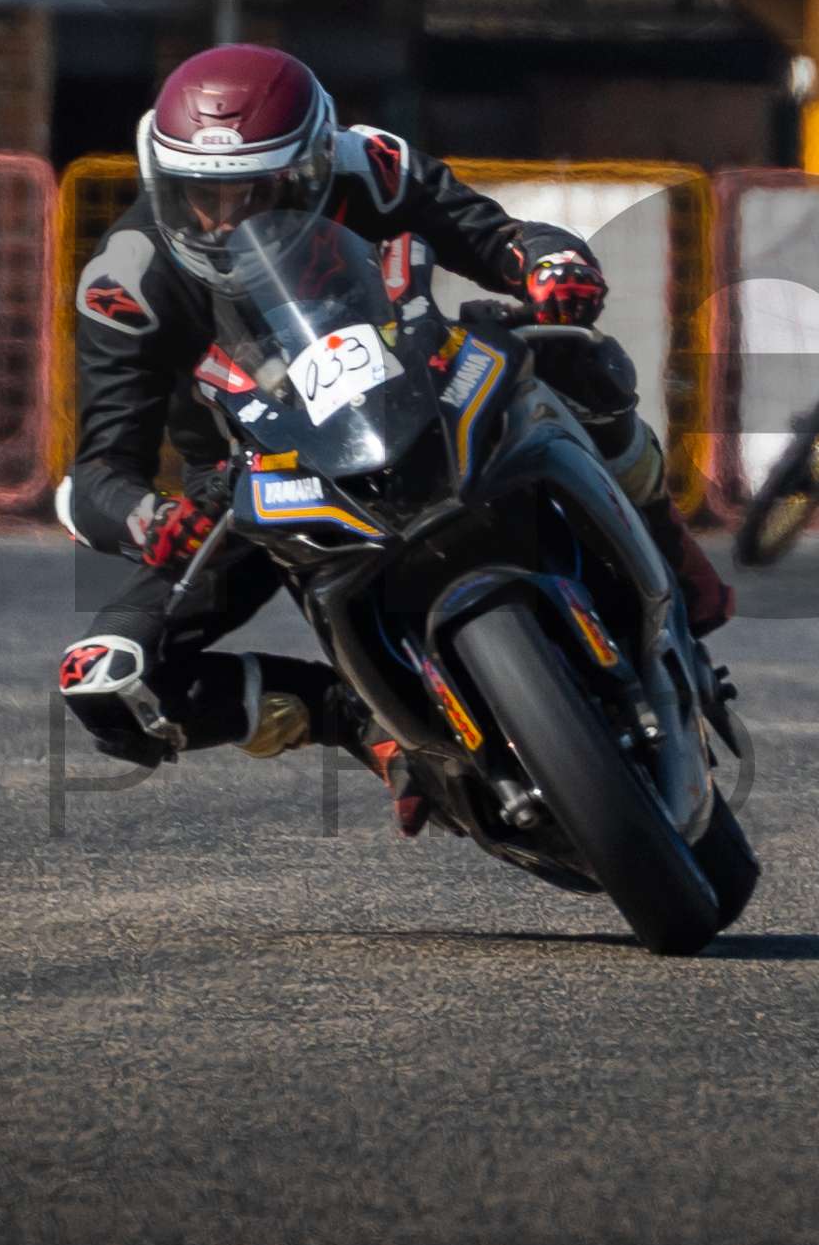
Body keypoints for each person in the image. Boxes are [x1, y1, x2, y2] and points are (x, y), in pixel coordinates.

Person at [53, 45, 731, 824]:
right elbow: (99, 471)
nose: (226, 218)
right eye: (200, 195)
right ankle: (348, 715)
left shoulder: (370, 167)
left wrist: (549, 262)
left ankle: (662, 536)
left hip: (423, 387)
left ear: (312, 165)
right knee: (106, 682)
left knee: (580, 357)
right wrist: (147, 517)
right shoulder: (125, 281)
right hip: (259, 481)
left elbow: (496, 239)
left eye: (258, 192)